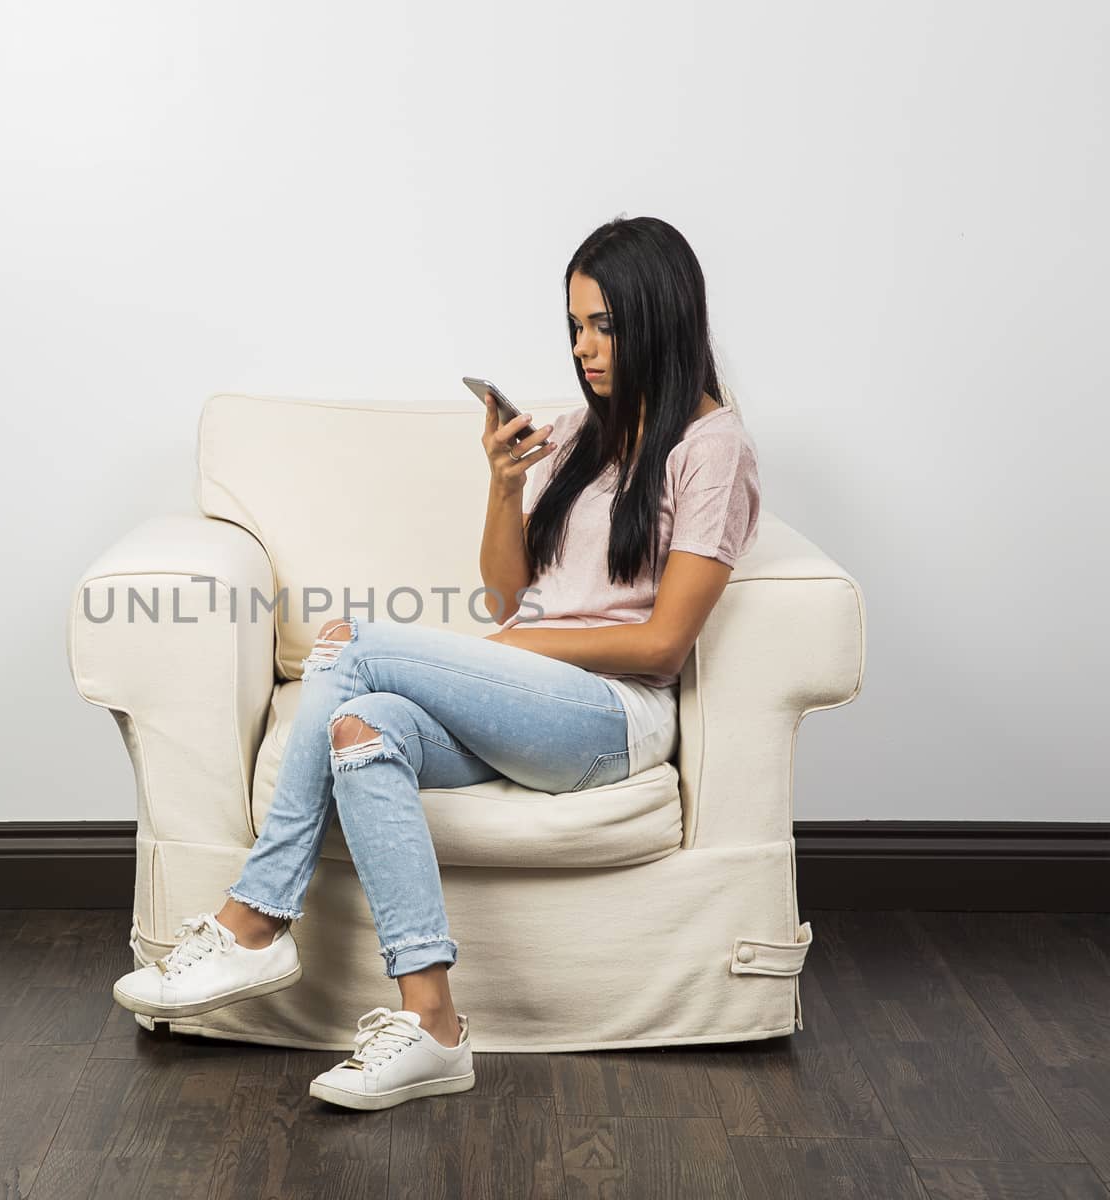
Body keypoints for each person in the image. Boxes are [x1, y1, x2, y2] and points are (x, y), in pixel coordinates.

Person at [110, 214, 762, 1112]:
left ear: (663, 316)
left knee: (356, 644)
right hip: (529, 703)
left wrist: (517, 648)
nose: (586, 348)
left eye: (606, 325)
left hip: (611, 716)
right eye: (574, 327)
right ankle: (432, 1027)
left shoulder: (712, 447)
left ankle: (254, 922)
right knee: (359, 727)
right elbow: (506, 597)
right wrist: (503, 484)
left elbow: (662, 643)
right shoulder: (579, 434)